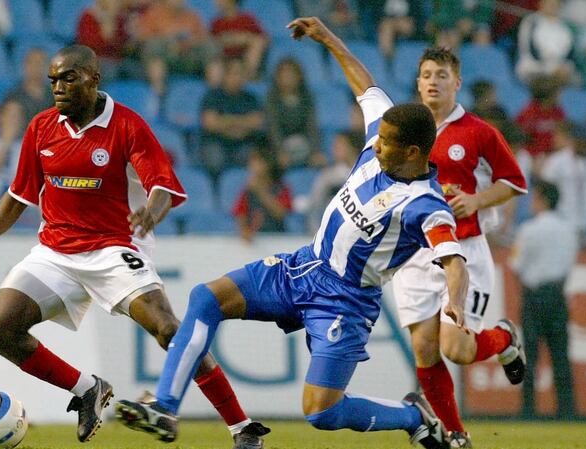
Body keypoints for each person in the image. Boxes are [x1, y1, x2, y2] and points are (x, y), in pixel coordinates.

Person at [115, 17, 468, 449]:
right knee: (205, 298)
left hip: (346, 301)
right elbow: (365, 83)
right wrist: (326, 37)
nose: (374, 146)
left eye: (384, 144)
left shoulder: (425, 205)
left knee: (321, 412)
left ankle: (414, 416)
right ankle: (165, 407)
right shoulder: (384, 131)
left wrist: (455, 299)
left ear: (412, 152)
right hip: (304, 266)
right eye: (377, 140)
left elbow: (452, 258)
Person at [0, 45, 268, 449]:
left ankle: (242, 427)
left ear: (94, 79)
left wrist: (151, 212)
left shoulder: (127, 125)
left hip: (113, 248)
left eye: (68, 78)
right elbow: (16, 197)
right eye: (53, 80)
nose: (58, 88)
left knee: (168, 329)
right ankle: (86, 391)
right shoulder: (42, 127)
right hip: (55, 253)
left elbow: (162, 187)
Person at [390, 46, 530, 447]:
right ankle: (456, 434)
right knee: (425, 351)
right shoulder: (402, 131)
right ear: (417, 83)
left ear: (457, 83)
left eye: (442, 75)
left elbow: (514, 181)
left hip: (465, 250)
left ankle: (504, 338)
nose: (433, 81)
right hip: (414, 254)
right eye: (427, 74)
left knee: (458, 349)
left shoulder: (479, 132)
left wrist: (475, 200)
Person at [509, 179, 578, 419]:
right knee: (561, 355)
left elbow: (516, 264)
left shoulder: (528, 230)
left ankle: (529, 410)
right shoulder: (568, 228)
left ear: (543, 200)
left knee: (530, 356)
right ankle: (567, 412)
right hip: (558, 295)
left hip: (535, 296)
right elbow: (570, 263)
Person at [232, 143, 292, 242]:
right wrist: (244, 231)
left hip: (277, 238)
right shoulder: (247, 190)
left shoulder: (281, 188)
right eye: (252, 162)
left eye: (258, 162)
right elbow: (240, 213)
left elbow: (281, 213)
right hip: (254, 238)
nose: (253, 166)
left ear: (268, 164)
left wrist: (261, 192)